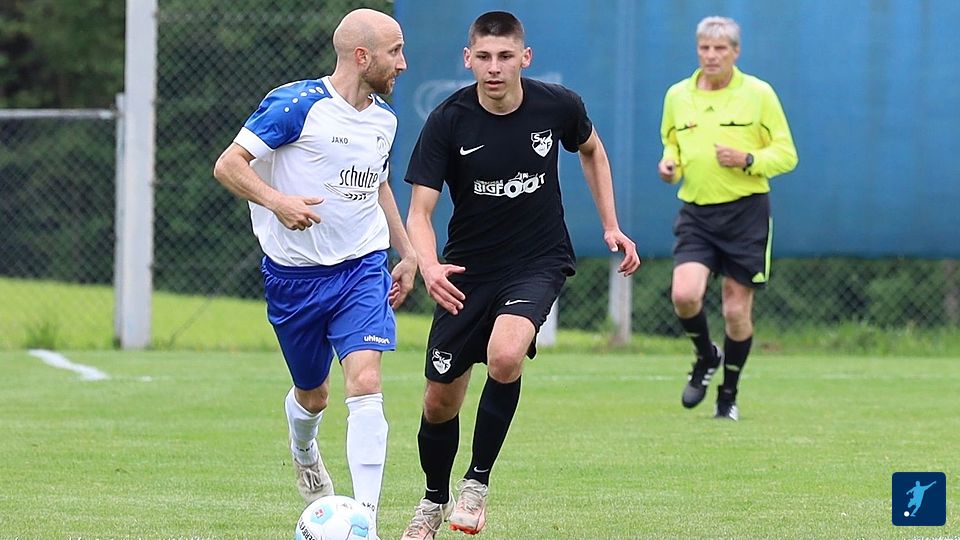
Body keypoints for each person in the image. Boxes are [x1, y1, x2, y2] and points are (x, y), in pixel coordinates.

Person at [399, 11, 641, 540]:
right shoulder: (448, 120)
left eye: (505, 56)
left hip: (537, 260)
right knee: (439, 401)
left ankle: (476, 484)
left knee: (506, 355)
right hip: (467, 270)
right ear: (467, 59)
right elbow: (419, 212)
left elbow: (593, 151)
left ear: (524, 59)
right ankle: (433, 499)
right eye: (484, 57)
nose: (494, 67)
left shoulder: (558, 106)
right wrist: (429, 264)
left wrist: (611, 225)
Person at [211, 9, 415, 538]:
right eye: (395, 52)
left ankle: (365, 522)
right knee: (314, 395)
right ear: (362, 56)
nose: (403, 64)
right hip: (294, 279)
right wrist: (277, 201)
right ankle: (303, 448)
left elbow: (378, 184)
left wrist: (407, 251)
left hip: (362, 268)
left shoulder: (385, 120)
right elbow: (228, 165)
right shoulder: (295, 105)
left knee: (366, 382)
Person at [657, 16, 798, 421]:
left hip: (746, 214)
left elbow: (787, 154)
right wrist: (670, 165)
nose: (711, 55)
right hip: (697, 213)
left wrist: (748, 158)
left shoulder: (758, 94)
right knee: (684, 295)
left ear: (736, 52)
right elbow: (671, 143)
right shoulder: (677, 95)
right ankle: (706, 355)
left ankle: (728, 394)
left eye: (720, 48)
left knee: (736, 312)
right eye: (705, 47)